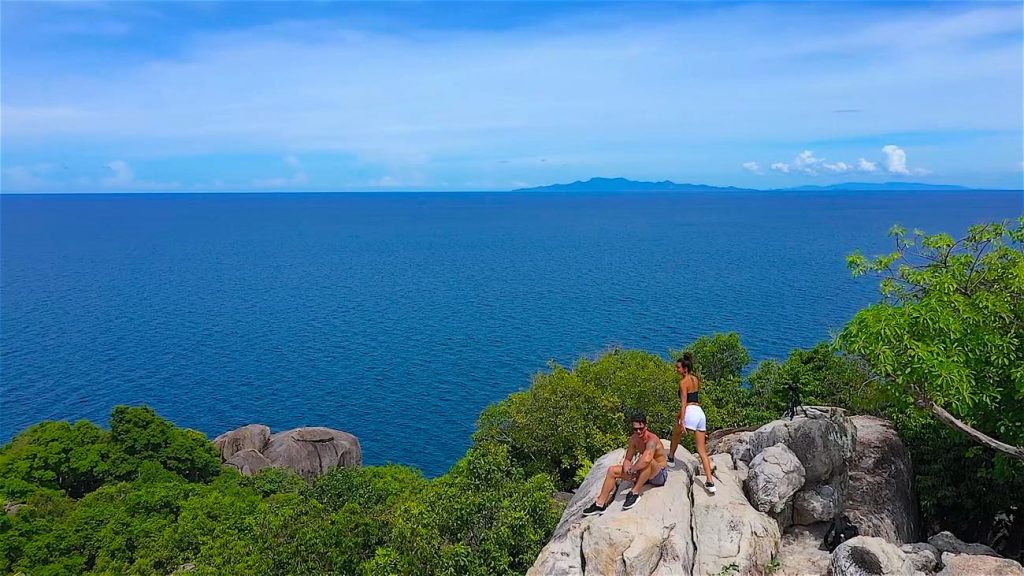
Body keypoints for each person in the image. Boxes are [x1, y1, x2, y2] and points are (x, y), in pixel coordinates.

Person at [582, 412, 669, 516]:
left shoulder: (652, 440)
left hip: (658, 475)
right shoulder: (633, 439)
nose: (638, 431)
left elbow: (647, 459)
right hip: (643, 472)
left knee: (647, 461)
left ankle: (634, 493)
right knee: (612, 470)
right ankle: (600, 504)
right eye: (635, 429)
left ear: (646, 426)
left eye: (641, 428)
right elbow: (628, 458)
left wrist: (634, 469)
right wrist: (627, 468)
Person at [667, 352, 716, 494]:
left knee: (676, 433)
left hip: (689, 412)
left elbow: (684, 403)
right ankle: (710, 481)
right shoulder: (695, 379)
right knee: (701, 450)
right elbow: (693, 398)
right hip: (700, 413)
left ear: (684, 369)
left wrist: (682, 420)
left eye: (678, 367)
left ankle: (670, 457)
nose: (676, 369)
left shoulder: (683, 382)